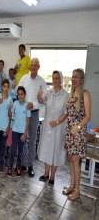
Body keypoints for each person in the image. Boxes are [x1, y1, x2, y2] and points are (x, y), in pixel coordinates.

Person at [12, 58, 47, 177]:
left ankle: (30, 165)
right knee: (23, 140)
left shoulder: (42, 81)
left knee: (32, 141)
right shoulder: (24, 79)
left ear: (38, 67)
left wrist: (34, 105)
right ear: (29, 67)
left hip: (34, 113)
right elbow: (18, 91)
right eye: (31, 65)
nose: (33, 67)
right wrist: (13, 86)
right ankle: (22, 163)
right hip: (22, 113)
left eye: (35, 65)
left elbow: (43, 100)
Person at [63, 68, 91, 201]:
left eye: (76, 77)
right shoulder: (71, 93)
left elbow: (88, 116)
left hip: (78, 132)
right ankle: (72, 186)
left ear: (81, 79)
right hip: (69, 131)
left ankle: (77, 190)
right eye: (72, 77)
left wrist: (78, 127)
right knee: (71, 160)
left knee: (75, 161)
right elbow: (68, 114)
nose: (73, 79)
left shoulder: (85, 94)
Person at [37, 71, 68, 185]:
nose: (55, 80)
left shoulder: (65, 95)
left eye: (57, 78)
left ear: (60, 79)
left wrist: (57, 121)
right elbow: (41, 101)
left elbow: (66, 113)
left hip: (58, 127)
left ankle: (53, 176)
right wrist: (39, 94)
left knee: (56, 150)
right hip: (47, 126)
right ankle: (46, 174)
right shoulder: (49, 92)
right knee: (47, 150)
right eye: (53, 78)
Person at [7, 86, 31, 177]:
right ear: (17, 95)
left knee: (20, 151)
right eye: (19, 94)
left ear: (24, 95)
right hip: (15, 131)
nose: (20, 96)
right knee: (13, 150)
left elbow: (28, 120)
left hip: (22, 132)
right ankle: (10, 167)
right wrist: (10, 108)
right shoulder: (15, 103)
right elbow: (10, 115)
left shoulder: (27, 105)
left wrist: (25, 133)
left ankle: (18, 167)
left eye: (22, 94)